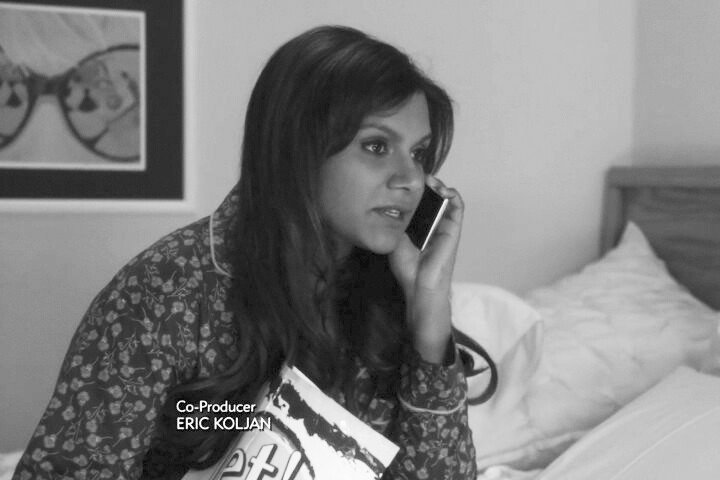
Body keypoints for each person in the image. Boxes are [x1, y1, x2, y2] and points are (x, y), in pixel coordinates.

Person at [13, 25, 481, 480]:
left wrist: (430, 308)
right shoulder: (167, 288)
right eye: (377, 146)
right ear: (299, 147)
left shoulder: (389, 292)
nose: (411, 179)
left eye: (419, 154)